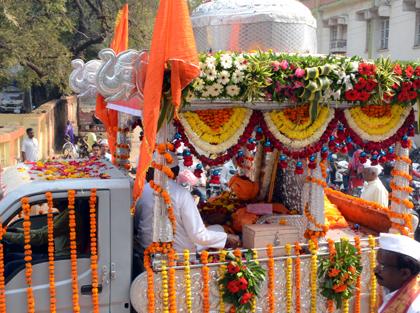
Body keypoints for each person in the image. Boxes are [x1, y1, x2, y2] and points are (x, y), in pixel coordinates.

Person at [135, 153, 240, 253]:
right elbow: (198, 236)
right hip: (179, 255)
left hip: (146, 251)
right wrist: (226, 238)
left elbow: (137, 223)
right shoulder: (182, 194)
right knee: (219, 229)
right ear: (176, 172)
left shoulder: (143, 191)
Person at [375, 233, 420, 313]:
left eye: (382, 266)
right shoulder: (387, 289)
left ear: (404, 273)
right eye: (377, 263)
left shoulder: (415, 309)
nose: (376, 270)